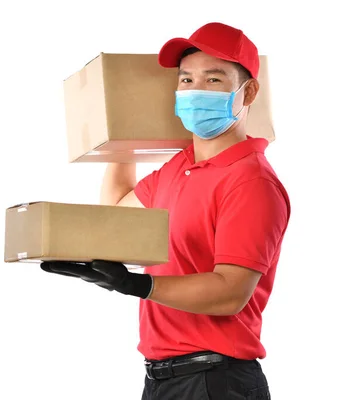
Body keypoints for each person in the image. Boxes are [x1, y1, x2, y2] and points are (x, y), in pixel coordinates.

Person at [40, 22, 290, 399]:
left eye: (214, 80)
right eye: (186, 80)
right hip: (163, 378)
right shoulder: (180, 167)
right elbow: (118, 220)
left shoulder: (251, 181)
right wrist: (120, 135)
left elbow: (230, 293)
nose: (195, 92)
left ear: (248, 91)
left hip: (216, 380)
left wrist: (137, 285)